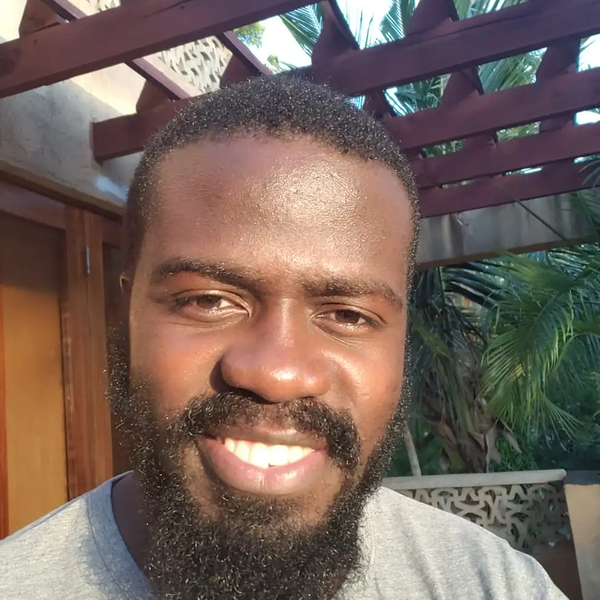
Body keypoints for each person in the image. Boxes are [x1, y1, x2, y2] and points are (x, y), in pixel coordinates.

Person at [0, 76, 567, 600]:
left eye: (347, 315)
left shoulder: (494, 585)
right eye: (208, 300)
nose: (276, 374)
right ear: (126, 314)